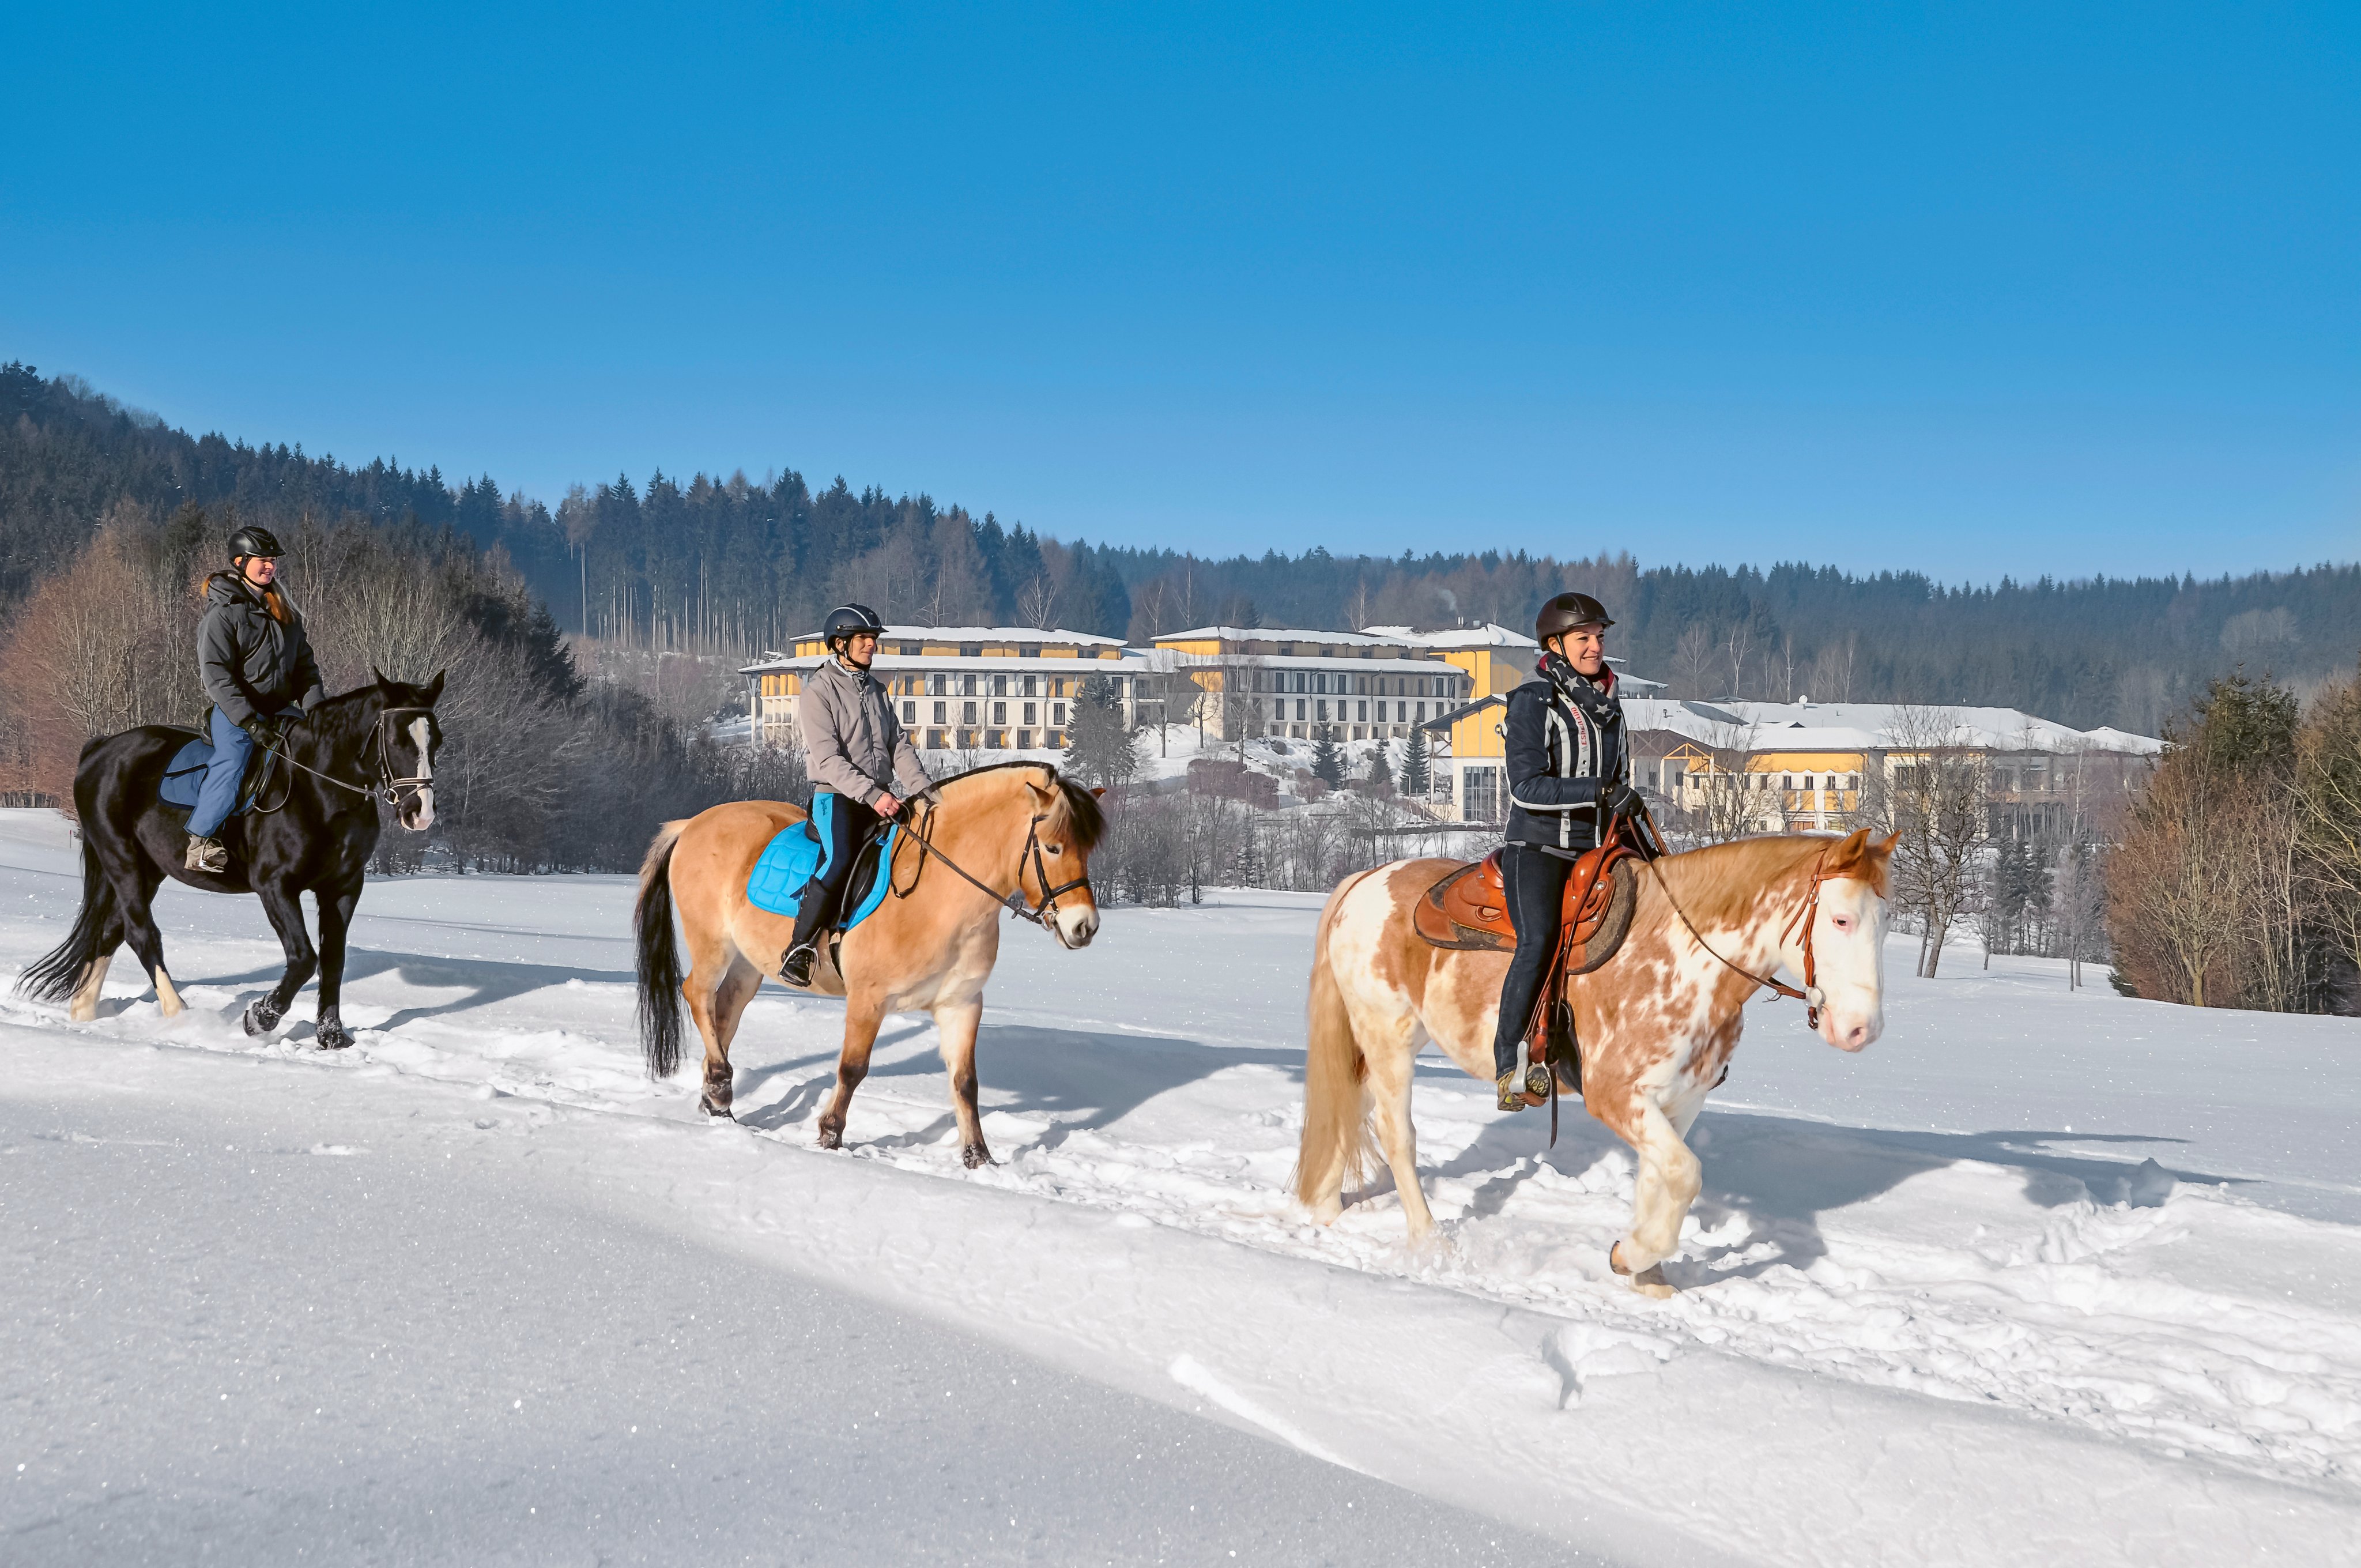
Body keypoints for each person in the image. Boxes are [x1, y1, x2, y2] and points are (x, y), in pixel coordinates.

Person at [1491, 591, 1641, 1111]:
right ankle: (1509, 1061)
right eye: (1585, 638)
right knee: (1539, 941)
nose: (1596, 646)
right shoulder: (1535, 702)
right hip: (1539, 849)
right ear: (1555, 645)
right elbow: (1526, 788)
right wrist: (1599, 789)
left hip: (1599, 851)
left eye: (1600, 637)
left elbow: (1618, 781)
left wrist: (1630, 811)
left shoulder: (1613, 710)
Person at [780, 603, 938, 986]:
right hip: (837, 796)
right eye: (864, 639)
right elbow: (828, 758)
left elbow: (899, 745)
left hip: (880, 795)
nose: (872, 645)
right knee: (842, 858)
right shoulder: (819, 691)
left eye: (873, 639)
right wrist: (872, 794)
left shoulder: (878, 692)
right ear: (839, 644)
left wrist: (925, 793)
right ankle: (798, 950)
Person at [184, 526, 327, 873]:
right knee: (233, 760)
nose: (270, 567)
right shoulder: (223, 614)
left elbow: (306, 670)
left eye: (273, 561)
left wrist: (319, 712)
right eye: (263, 561)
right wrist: (248, 721)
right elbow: (216, 675)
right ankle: (201, 841)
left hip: (281, 710)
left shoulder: (286, 614)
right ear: (240, 562)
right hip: (237, 714)